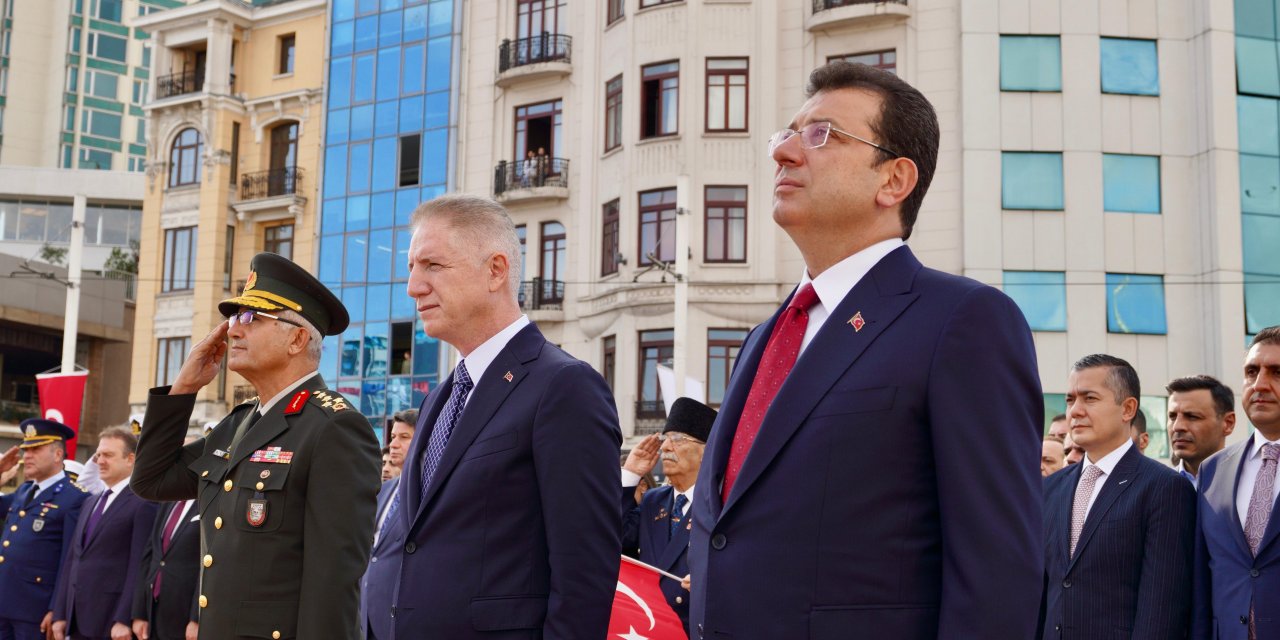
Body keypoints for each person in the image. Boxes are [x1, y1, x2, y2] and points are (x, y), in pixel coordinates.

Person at [687, 61, 1044, 639]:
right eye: (787, 134)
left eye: (820, 134)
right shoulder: (765, 337)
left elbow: (996, 573)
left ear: (894, 180)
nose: (783, 152)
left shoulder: (962, 321)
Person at [381, 194, 621, 639]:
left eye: (432, 265)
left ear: (495, 270)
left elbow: (584, 575)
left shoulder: (564, 386)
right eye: (412, 268)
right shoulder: (439, 399)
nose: (413, 286)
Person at [130, 252, 381, 640]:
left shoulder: (334, 427)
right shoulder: (239, 424)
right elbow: (152, 479)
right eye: (234, 318)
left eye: (252, 318)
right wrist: (183, 389)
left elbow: (332, 583)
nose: (233, 331)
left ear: (297, 339)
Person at [1040, 355, 1196, 638]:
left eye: (1089, 398)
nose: (1075, 411)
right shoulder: (1051, 488)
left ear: (1127, 409)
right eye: (1070, 400)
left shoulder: (1164, 488)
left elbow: (1161, 609)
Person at [1192, 326, 1280, 639]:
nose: (1260, 384)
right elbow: (1202, 581)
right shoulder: (1213, 470)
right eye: (1252, 372)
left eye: (1277, 372)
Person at [53, 427, 159, 640]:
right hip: (76, 618)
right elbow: (73, 559)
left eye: (108, 455)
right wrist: (61, 613)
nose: (100, 461)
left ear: (130, 459)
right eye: (99, 455)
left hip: (110, 620)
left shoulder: (142, 504)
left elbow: (139, 565)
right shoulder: (90, 502)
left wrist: (124, 618)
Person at [621, 398, 717, 632]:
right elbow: (614, 537)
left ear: (706, 452)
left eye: (677, 439)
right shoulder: (653, 501)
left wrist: (713, 579)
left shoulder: (718, 505)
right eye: (665, 439)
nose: (664, 447)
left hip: (692, 629)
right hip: (649, 626)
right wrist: (631, 473)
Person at [0, 420, 89, 640]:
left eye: (36, 450)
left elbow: (69, 560)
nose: (27, 456)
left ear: (58, 454)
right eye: (26, 450)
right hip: (5, 602)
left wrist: (57, 609)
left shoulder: (74, 497)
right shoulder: (25, 490)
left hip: (35, 609)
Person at [131, 438, 201, 640]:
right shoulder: (168, 500)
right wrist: (139, 612)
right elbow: (150, 555)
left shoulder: (210, 503)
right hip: (154, 612)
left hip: (185, 617)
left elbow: (210, 565)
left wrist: (197, 618)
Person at [361, 409, 416, 640]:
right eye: (393, 437)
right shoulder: (383, 491)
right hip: (368, 617)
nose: (393, 444)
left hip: (403, 620)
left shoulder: (426, 493)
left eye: (404, 437)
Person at [1165, 375, 1236, 490]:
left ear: (1228, 423)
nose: (1177, 427)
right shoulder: (1158, 487)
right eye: (1172, 417)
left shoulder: (1247, 482)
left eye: (1192, 417)